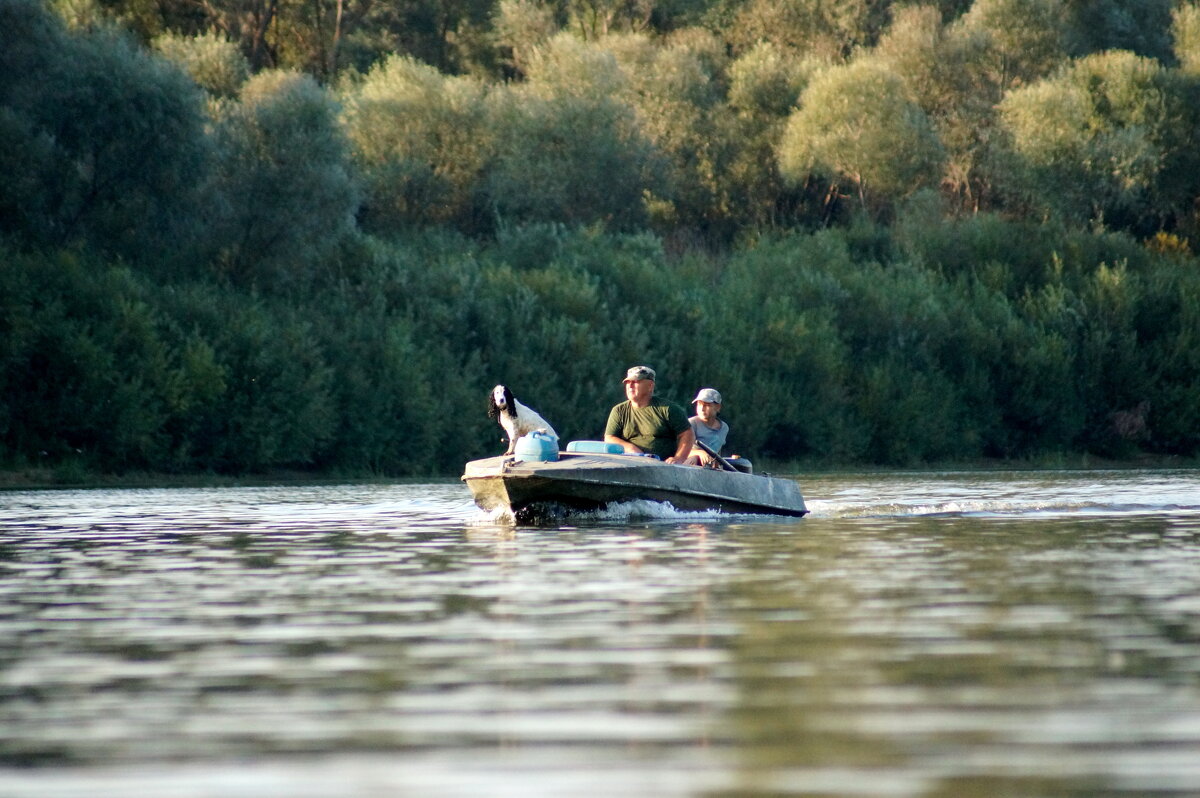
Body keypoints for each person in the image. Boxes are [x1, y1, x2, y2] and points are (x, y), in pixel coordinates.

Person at [604, 366, 695, 464]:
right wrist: (631, 448)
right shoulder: (619, 411)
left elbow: (687, 435)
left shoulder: (667, 409)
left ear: (650, 385)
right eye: (628, 382)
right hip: (629, 464)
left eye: (635, 382)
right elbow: (609, 438)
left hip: (662, 467)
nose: (630, 386)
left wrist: (678, 458)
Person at [686, 388, 728, 467]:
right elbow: (682, 450)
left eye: (707, 405)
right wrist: (700, 453)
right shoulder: (691, 423)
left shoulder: (724, 428)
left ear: (718, 407)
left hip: (709, 465)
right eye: (699, 404)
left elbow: (718, 448)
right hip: (690, 464)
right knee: (694, 458)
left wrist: (717, 462)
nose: (702, 409)